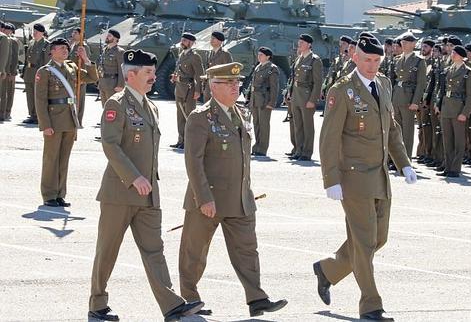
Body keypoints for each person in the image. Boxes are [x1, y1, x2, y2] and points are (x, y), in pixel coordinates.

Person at [89, 49, 204, 321]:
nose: (154, 77)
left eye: (153, 72)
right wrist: (134, 177)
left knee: (155, 250)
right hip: (120, 192)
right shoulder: (116, 104)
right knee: (107, 251)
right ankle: (97, 305)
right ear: (132, 75)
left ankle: (172, 305)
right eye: (148, 73)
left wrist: (147, 182)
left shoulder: (151, 106)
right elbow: (111, 145)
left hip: (149, 195)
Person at [314, 35, 417, 322]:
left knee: (376, 239)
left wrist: (404, 164)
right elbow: (328, 139)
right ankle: (371, 305)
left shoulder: (383, 83)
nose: (372, 66)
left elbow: (391, 129)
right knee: (363, 241)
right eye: (367, 60)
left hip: (381, 176)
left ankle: (328, 270)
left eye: (377, 61)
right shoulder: (342, 90)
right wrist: (330, 179)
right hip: (354, 178)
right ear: (355, 58)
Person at [179, 62, 287, 317]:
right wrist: (203, 197)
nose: (235, 87)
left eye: (237, 83)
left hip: (239, 199)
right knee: (194, 252)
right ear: (213, 86)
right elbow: (193, 162)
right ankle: (189, 298)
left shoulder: (241, 113)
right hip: (209, 198)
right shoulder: (200, 117)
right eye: (229, 83)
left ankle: (257, 298)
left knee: (247, 250)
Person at [35, 38, 99, 207]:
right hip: (54, 120)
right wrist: (45, 125)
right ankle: (49, 194)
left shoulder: (72, 67)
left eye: (66, 48)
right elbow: (40, 100)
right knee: (51, 159)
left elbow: (92, 78)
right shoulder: (45, 71)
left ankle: (59, 194)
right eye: (61, 48)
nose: (65, 51)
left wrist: (86, 59)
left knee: (64, 158)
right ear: (52, 51)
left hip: (70, 118)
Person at [435, 45, 471, 178]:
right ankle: (448, 166)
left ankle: (455, 168)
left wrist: (465, 113)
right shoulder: (448, 70)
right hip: (446, 107)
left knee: (458, 141)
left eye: (454, 53)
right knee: (447, 139)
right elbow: (441, 90)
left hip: (458, 109)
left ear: (461, 56)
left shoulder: (468, 72)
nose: (452, 55)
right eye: (452, 53)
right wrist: (438, 104)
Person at [392, 32, 427, 160]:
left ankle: (405, 159)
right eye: (402, 42)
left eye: (407, 42)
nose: (403, 44)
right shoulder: (397, 59)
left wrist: (415, 102)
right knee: (396, 130)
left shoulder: (419, 61)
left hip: (408, 98)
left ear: (413, 44)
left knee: (407, 131)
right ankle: (395, 158)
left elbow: (421, 83)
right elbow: (392, 80)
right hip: (397, 97)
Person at [287, 33, 322, 161]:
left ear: (309, 45)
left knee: (307, 126)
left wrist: (313, 100)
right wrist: (290, 93)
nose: (299, 44)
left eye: (302, 43)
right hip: (296, 95)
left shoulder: (314, 60)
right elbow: (293, 77)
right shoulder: (299, 58)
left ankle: (307, 152)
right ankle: (298, 150)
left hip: (307, 96)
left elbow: (318, 82)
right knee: (298, 125)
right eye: (299, 42)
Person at [170, 32, 204, 149]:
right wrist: (175, 76)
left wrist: (198, 90)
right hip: (179, 88)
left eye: (184, 41)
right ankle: (181, 140)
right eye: (182, 40)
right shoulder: (181, 55)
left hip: (189, 89)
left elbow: (199, 75)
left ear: (191, 43)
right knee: (180, 116)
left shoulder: (195, 56)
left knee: (188, 116)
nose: (182, 42)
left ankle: (189, 141)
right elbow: (178, 69)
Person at [249, 47, 280, 156]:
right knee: (256, 124)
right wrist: (249, 100)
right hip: (255, 99)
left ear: (268, 56)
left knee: (264, 125)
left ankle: (262, 148)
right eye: (258, 54)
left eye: (261, 55)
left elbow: (274, 87)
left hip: (264, 100)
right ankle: (257, 146)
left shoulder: (272, 68)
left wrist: (271, 103)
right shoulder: (258, 67)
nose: (259, 56)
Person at [23, 23, 50, 124]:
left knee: (38, 96)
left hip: (39, 73)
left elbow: (47, 62)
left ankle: (39, 116)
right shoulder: (31, 43)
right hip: (29, 72)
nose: (34, 33)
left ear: (42, 33)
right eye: (34, 31)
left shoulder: (47, 44)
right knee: (29, 95)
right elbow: (27, 59)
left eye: (36, 32)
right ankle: (32, 115)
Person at [69, 27, 92, 126]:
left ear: (81, 35)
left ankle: (78, 120)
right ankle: (71, 118)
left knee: (79, 100)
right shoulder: (73, 46)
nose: (73, 34)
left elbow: (84, 63)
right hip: (72, 77)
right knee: (71, 99)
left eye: (75, 33)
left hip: (79, 77)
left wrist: (82, 77)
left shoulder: (83, 47)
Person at [97, 29, 125, 107]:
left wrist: (120, 85)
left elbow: (122, 69)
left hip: (113, 85)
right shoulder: (104, 50)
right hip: (103, 83)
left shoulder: (119, 52)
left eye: (109, 36)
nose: (107, 37)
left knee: (113, 107)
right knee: (105, 107)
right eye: (107, 35)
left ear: (116, 39)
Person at [202, 31, 232, 101]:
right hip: (209, 85)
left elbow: (229, 71)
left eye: (214, 39)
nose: (211, 40)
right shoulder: (210, 53)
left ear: (220, 41)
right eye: (211, 38)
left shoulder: (225, 54)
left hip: (220, 85)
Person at [0, 23, 18, 121]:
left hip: (8, 70)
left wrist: (13, 72)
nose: (5, 30)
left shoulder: (13, 41)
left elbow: (14, 57)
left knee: (7, 93)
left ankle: (6, 112)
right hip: (4, 69)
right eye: (5, 29)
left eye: (8, 29)